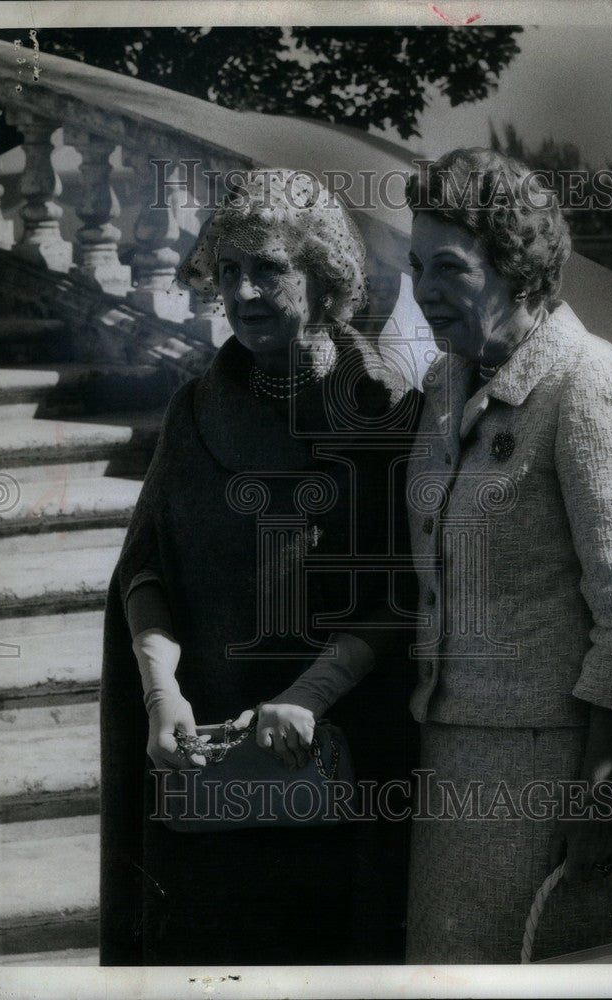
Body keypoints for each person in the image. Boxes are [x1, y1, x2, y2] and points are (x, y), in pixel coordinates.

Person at [99, 170, 418, 966]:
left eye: (268, 268)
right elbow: (147, 573)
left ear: (323, 277)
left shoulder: (380, 408)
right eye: (228, 271)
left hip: (339, 766)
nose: (243, 291)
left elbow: (406, 592)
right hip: (210, 770)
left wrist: (307, 699)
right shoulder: (194, 410)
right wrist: (160, 692)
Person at [403, 148, 612, 963]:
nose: (422, 290)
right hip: (446, 747)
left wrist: (594, 801)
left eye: (447, 267)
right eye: (415, 266)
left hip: (543, 769)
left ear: (516, 269)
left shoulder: (588, 384)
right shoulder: (448, 380)